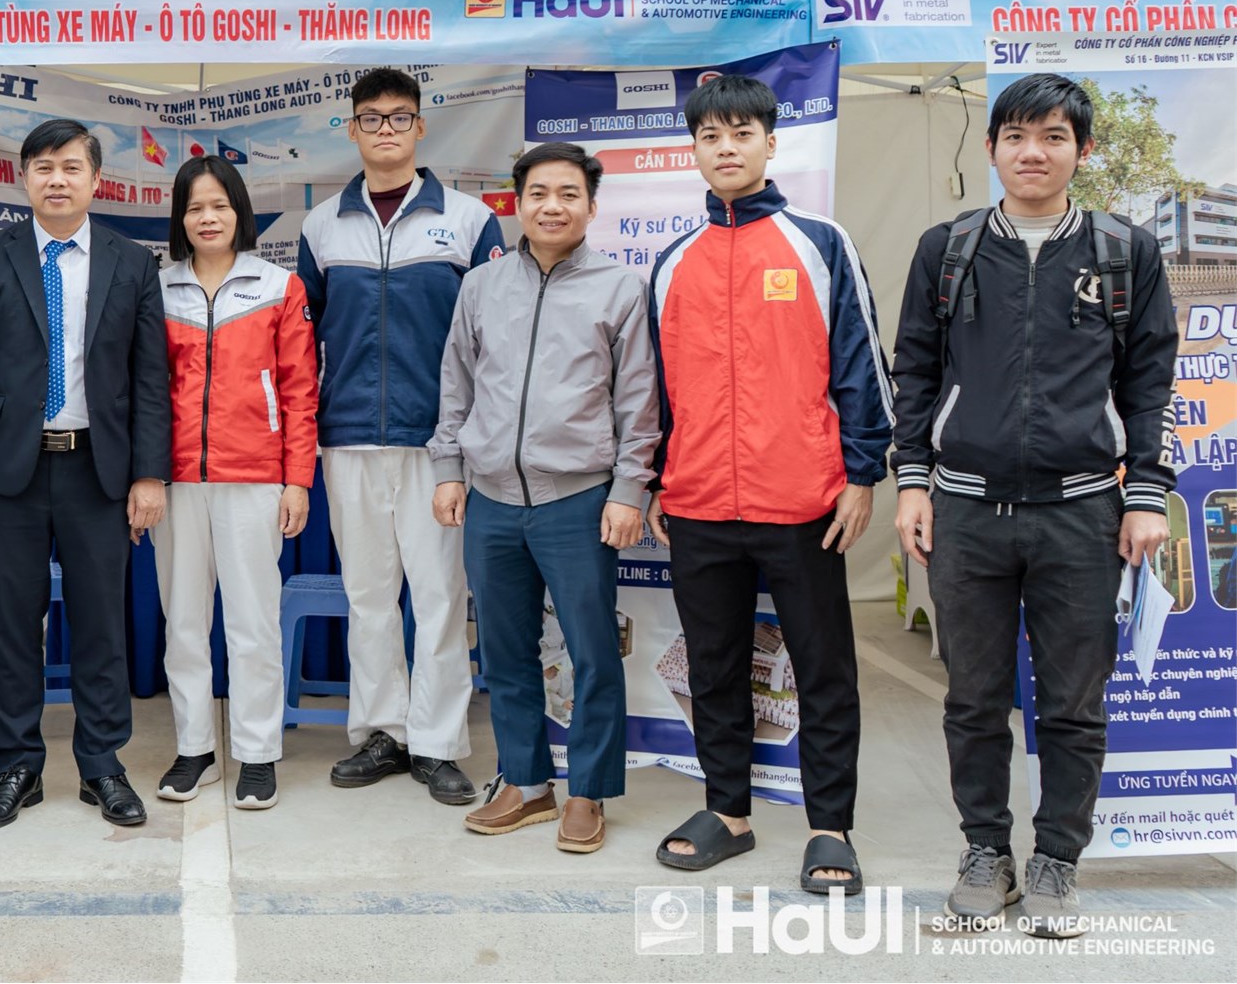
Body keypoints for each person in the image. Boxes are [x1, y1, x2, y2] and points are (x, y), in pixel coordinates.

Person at [892, 72, 1177, 937]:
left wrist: (1148, 493)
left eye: (1052, 136)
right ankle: (987, 852)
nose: (1032, 151)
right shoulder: (947, 249)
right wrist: (911, 478)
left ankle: (1056, 860)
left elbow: (1148, 380)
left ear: (1079, 152)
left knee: (1071, 703)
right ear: (990, 150)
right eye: (1015, 135)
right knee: (973, 699)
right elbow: (912, 371)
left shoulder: (1122, 253)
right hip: (967, 511)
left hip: (1082, 511)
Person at [645, 74, 893, 894]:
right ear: (693, 150)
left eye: (740, 133)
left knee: (822, 668)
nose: (725, 147)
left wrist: (861, 474)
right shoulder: (672, 261)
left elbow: (862, 368)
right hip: (698, 504)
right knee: (712, 667)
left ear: (769, 142)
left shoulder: (818, 242)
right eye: (709, 135)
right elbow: (653, 386)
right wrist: (653, 482)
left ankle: (830, 827)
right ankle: (729, 813)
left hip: (804, 504)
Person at [431, 143, 659, 852]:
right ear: (517, 203)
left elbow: (637, 402)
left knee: (592, 652)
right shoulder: (481, 287)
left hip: (578, 500)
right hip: (491, 500)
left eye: (567, 193)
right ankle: (526, 784)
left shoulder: (621, 289)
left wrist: (628, 490)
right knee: (503, 652)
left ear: (591, 206)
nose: (551, 206)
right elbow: (455, 386)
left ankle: (586, 792)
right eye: (536, 193)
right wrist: (447, 467)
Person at [0, 118, 170, 829]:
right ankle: (16, 768)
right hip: (10, 474)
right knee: (13, 627)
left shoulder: (131, 262)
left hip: (97, 473)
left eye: (71, 166)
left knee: (101, 628)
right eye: (42, 166)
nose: (57, 179)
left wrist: (148, 475)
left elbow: (149, 379)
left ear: (95, 180)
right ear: (22, 179)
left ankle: (102, 766)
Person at [297, 67, 506, 804]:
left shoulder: (472, 221)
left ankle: (440, 743)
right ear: (351, 130)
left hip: (438, 444)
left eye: (398, 118)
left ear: (420, 128)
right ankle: (382, 731)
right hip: (348, 437)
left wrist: (467, 438)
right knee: (368, 595)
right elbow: (304, 340)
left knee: (441, 597)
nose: (385, 130)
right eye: (371, 119)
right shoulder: (321, 227)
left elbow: (493, 337)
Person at [152, 156, 318, 811]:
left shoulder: (280, 287)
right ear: (180, 219)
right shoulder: (158, 288)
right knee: (183, 622)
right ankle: (195, 748)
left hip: (254, 478)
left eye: (218, 205)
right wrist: (145, 478)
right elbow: (143, 390)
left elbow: (301, 391)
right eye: (194, 208)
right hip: (175, 483)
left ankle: (255, 752)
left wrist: (296, 481)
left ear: (238, 212)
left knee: (252, 624)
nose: (207, 217)